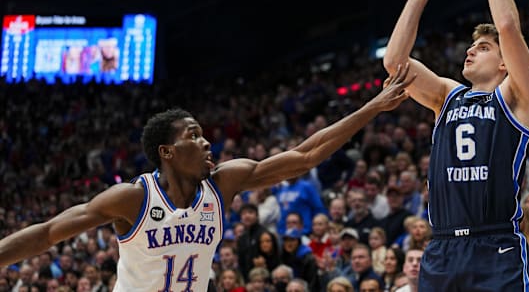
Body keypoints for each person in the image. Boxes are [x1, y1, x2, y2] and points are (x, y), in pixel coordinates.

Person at [0, 66, 414, 291]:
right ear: (167, 152)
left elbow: (304, 156)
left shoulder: (224, 183)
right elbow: (49, 232)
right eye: (193, 135)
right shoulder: (132, 199)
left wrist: (372, 108)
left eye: (203, 133)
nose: (206, 142)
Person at [383, 0, 529, 291]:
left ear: (504, 63)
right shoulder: (447, 97)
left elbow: (506, 26)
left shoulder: (519, 96)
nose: (471, 50)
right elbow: (394, 63)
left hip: (496, 245)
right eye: (472, 45)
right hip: (443, 247)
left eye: (482, 47)